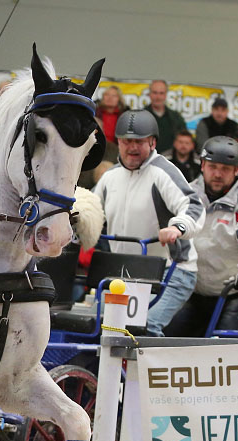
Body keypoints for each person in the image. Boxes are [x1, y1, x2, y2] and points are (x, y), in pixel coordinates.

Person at [92, 110, 205, 336]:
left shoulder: (162, 172)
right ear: (119, 143)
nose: (132, 147)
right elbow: (90, 213)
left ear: (152, 142)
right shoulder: (109, 178)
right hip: (124, 273)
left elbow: (194, 206)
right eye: (126, 141)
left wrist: (177, 227)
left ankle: (146, 372)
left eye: (139, 141)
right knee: (104, 328)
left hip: (172, 270)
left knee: (143, 328)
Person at [166, 137, 238, 336]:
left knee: (226, 352)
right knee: (168, 339)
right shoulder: (187, 195)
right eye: (213, 167)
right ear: (203, 165)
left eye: (225, 169)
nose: (217, 174)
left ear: (237, 170)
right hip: (197, 291)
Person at [146, 80, 186, 153]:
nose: (158, 97)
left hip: (170, 161)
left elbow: (183, 140)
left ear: (166, 95)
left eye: (161, 93)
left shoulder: (176, 118)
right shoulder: (141, 117)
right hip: (146, 159)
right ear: (149, 94)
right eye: (155, 93)